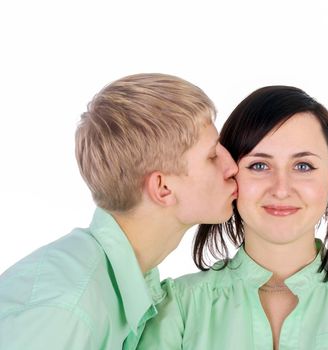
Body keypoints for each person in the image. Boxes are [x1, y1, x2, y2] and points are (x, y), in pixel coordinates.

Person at [138, 85, 328, 349]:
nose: (281, 189)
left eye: (303, 166)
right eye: (258, 166)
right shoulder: (176, 310)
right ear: (229, 173)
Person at [0, 73, 238, 350]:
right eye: (212, 156)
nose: (231, 166)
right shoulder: (67, 313)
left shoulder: (128, 281)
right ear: (162, 188)